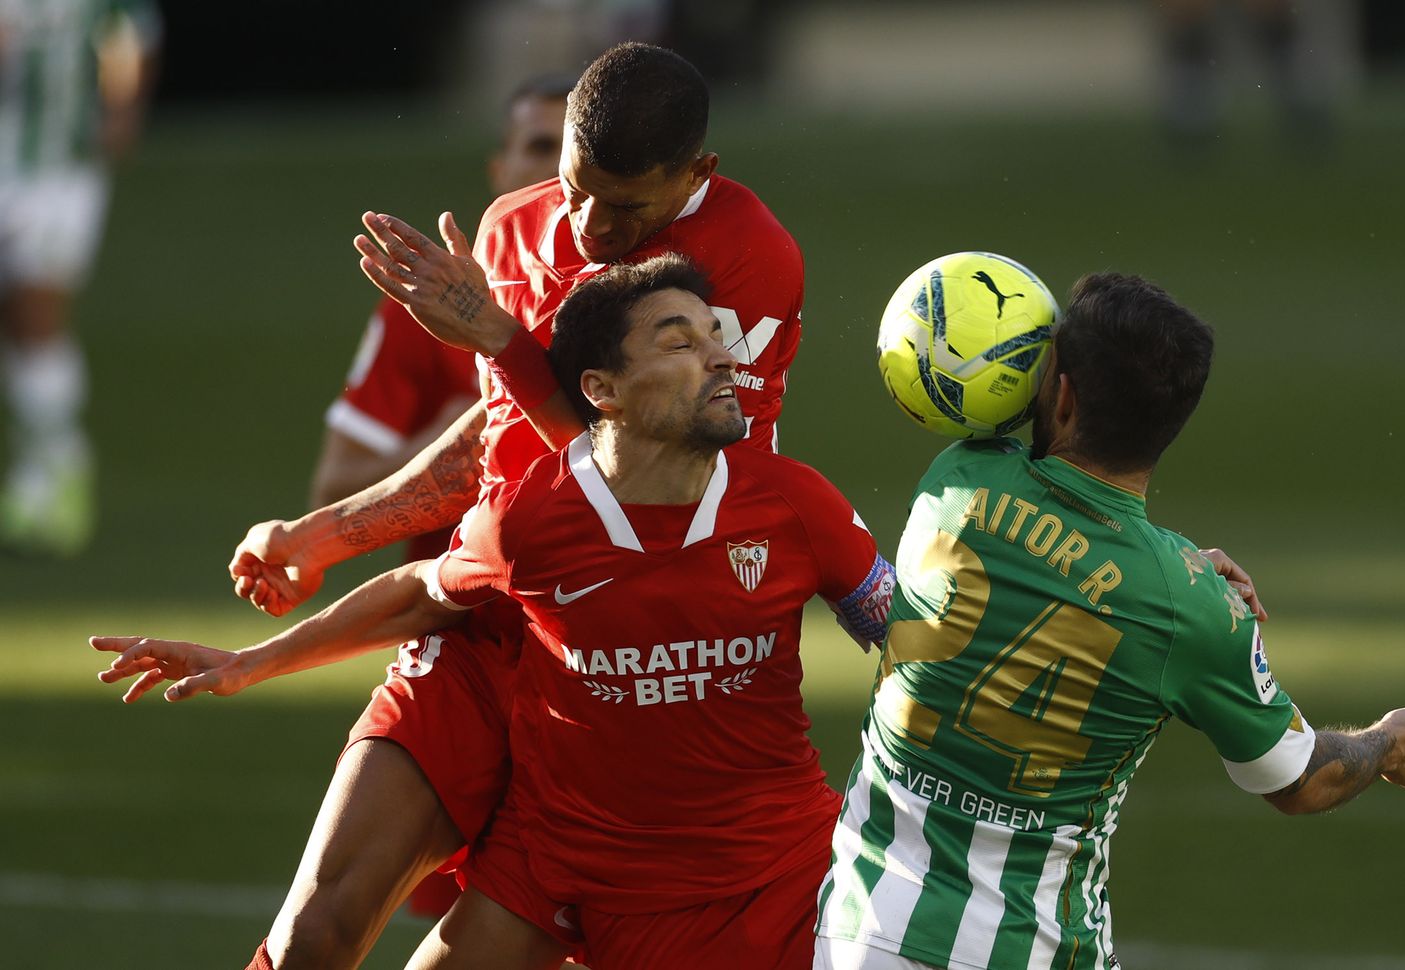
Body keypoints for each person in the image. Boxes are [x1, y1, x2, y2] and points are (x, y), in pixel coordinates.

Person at [94, 254, 899, 969]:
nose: (724, 358)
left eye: (716, 336)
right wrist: (250, 663)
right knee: (313, 937)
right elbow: (417, 593)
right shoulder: (530, 522)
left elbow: (912, 640)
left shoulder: (797, 505)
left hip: (759, 877)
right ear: (602, 391)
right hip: (562, 862)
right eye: (681, 342)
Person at [217, 42, 807, 970]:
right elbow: (499, 443)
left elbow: (652, 464)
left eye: (627, 207)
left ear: (698, 174)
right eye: (575, 185)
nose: (589, 223)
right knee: (310, 935)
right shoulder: (510, 230)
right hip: (488, 625)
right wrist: (322, 535)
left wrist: (497, 336)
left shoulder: (749, 257)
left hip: (634, 668)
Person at [813, 272, 1405, 969]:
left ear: (1062, 397)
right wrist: (1388, 741)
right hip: (1028, 949)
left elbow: (1036, 552)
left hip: (862, 930)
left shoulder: (955, 479)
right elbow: (1302, 780)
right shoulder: (1189, 607)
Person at [314, 75, 570, 589]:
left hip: (594, 632)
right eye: (542, 146)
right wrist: (439, 446)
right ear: (500, 171)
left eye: (578, 149)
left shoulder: (647, 304)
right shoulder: (425, 314)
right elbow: (331, 494)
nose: (561, 169)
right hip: (461, 627)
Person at [0, 0, 161, 556]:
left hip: (59, 172)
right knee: (16, 326)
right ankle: (38, 474)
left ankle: (58, 475)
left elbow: (131, 33)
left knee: (35, 313)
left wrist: (122, 107)